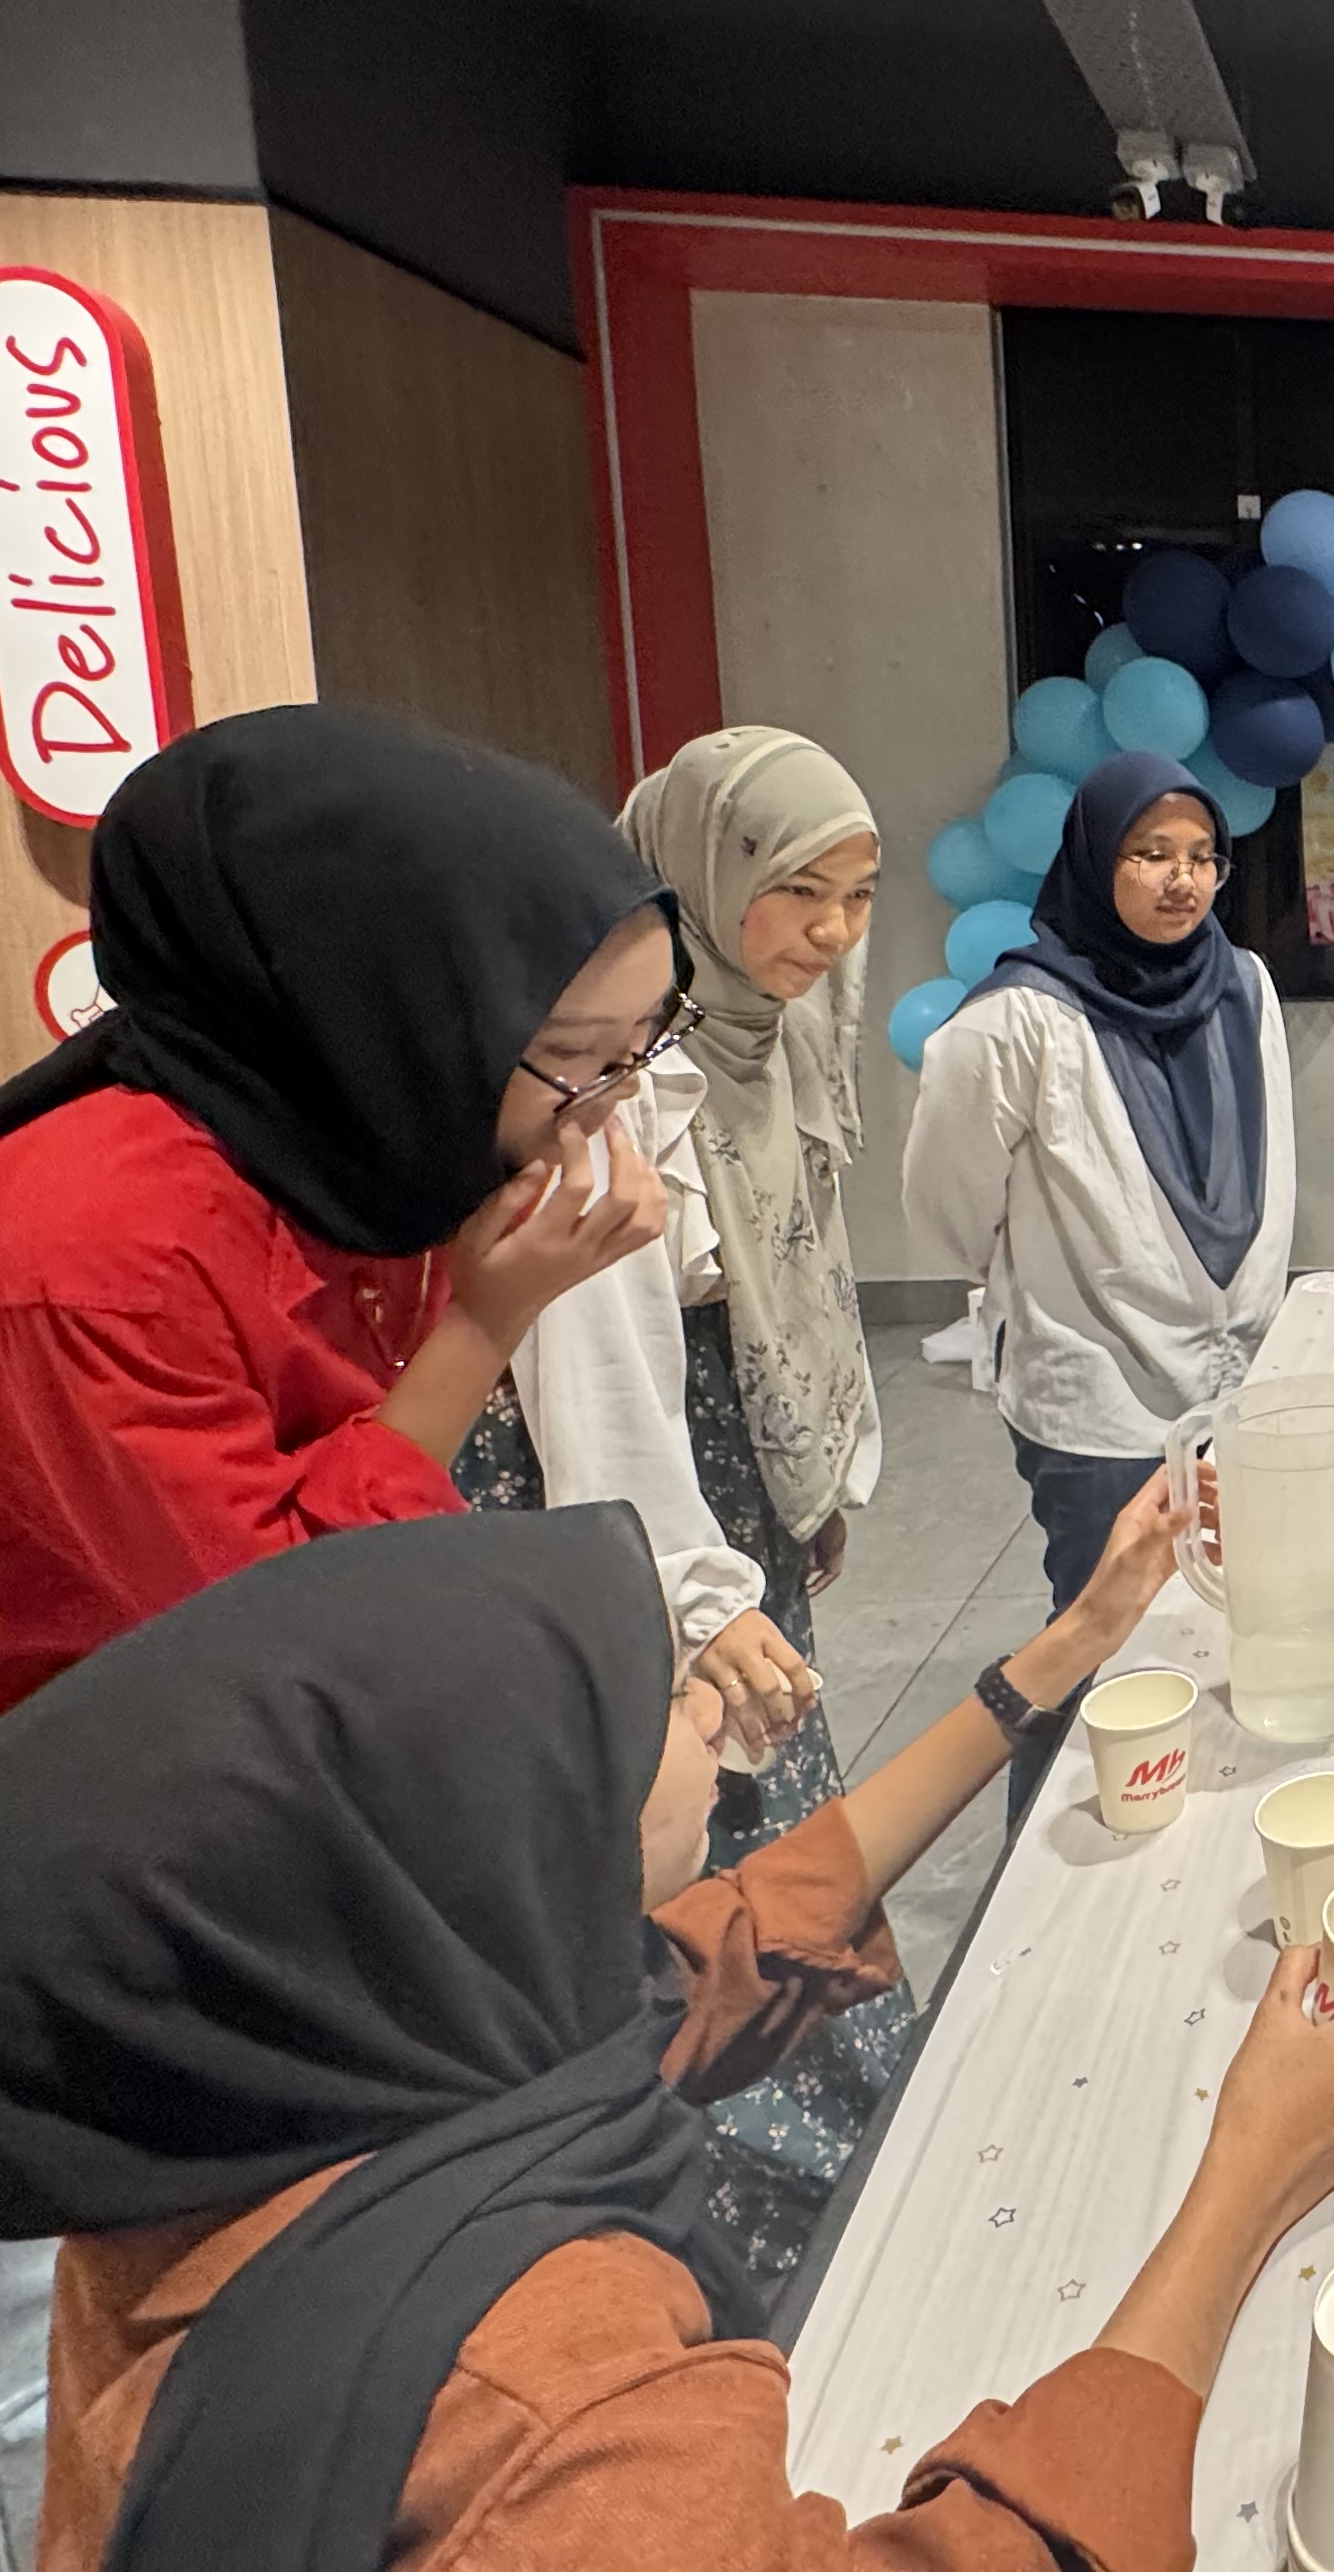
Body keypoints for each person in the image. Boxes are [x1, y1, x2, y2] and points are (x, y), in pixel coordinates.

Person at [0, 703, 679, 2572]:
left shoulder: (355, 1141)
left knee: (190, 2233)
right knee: (29, 2311)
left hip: (8, 1739)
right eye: (576, 1064)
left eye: (637, 1054)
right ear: (389, 1004)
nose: (604, 1116)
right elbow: (278, 1625)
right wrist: (485, 1325)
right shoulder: (84, 1245)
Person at [0, 1489, 1334, 2572]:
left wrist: (1058, 1655)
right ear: (499, 1849)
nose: (706, 1705)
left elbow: (724, 1943)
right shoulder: (547, 2397)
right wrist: (1256, 2162)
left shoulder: (281, 2116)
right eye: (656, 1703)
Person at [448, 723, 901, 2294]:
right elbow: (601, 1371)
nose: (829, 933)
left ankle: (843, 2158)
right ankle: (759, 2230)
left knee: (781, 1813)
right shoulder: (614, 1072)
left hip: (725, 1497)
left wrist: (820, 1467)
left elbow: (809, 1269)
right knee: (695, 1846)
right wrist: (697, 1592)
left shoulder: (778, 1034)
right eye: (797, 890)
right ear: (702, 873)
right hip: (638, 1522)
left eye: (857, 895)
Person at [907, 750, 1297, 1612]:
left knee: (1235, 1616)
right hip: (1099, 1399)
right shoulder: (1017, 1016)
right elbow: (947, 1206)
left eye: (1202, 857)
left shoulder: (1244, 986)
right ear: (1093, 858)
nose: (1182, 880)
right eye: (1151, 853)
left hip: (1238, 1378)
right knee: (1106, 1634)